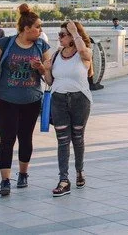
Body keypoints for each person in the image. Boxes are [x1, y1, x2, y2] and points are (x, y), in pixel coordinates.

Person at [0, 3, 52, 196]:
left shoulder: (42, 46)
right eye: (38, 27)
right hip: (5, 99)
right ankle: (5, 180)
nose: (40, 30)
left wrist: (41, 67)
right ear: (26, 28)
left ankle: (23, 174)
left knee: (25, 138)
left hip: (31, 100)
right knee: (6, 139)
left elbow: (49, 78)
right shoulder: (5, 44)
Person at [44, 21, 93, 197]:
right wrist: (45, 70)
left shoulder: (84, 53)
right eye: (60, 34)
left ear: (73, 36)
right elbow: (50, 81)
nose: (60, 37)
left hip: (80, 100)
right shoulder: (57, 54)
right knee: (63, 139)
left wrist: (75, 31)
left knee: (78, 138)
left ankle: (79, 170)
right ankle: (64, 180)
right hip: (58, 100)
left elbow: (83, 51)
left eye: (63, 34)